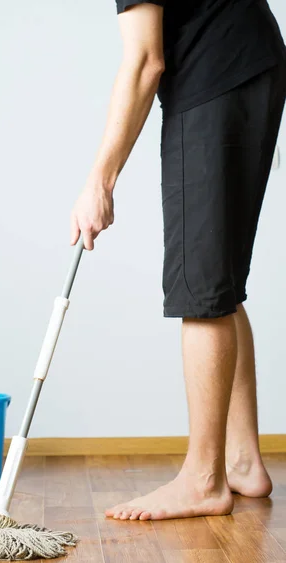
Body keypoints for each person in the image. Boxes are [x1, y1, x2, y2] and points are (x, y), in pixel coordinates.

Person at [70, 0, 286, 521]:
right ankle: (240, 461)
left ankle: (204, 481)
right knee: (219, 283)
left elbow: (146, 61)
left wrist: (100, 180)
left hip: (218, 76)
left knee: (201, 284)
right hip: (248, 61)